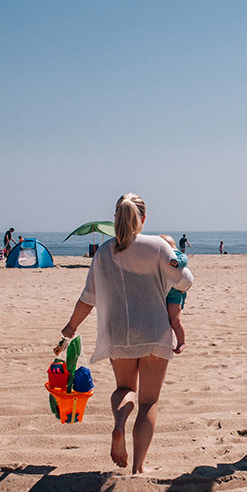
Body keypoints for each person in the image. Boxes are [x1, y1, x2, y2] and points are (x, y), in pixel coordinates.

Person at [59, 194, 193, 474]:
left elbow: (89, 297)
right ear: (142, 218)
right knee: (148, 402)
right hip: (154, 330)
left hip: (117, 331)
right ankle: (138, 467)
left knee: (124, 389)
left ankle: (119, 425)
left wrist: (72, 326)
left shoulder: (104, 252)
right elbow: (184, 280)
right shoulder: (157, 246)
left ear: (116, 219)